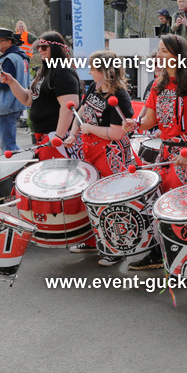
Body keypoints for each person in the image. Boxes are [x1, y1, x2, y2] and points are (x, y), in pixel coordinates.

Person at [66, 50, 138, 265]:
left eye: (92, 68)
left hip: (111, 154)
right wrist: (73, 134)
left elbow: (116, 133)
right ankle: (92, 241)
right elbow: (80, 112)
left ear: (104, 70)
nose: (89, 72)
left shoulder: (120, 96)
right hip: (90, 150)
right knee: (90, 197)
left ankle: (117, 247)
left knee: (111, 200)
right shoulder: (94, 87)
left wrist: (89, 128)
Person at [130, 35, 187, 192]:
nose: (159, 55)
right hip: (165, 151)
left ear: (178, 55)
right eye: (159, 50)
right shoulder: (157, 85)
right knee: (162, 197)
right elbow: (149, 121)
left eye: (164, 51)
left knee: (183, 200)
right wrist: (134, 124)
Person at [0, 32, 80, 160]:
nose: (40, 50)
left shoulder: (63, 71)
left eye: (44, 47)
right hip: (44, 135)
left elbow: (69, 106)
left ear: (55, 48)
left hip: (58, 137)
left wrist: (58, 137)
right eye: (38, 47)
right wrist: (11, 82)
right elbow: (28, 99)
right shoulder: (43, 72)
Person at [0, 28, 30, 153]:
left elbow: (5, 84)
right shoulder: (21, 57)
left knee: (8, 145)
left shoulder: (9, 59)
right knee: (9, 142)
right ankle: (24, 161)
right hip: (17, 102)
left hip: (8, 104)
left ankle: (20, 163)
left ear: (9, 42)